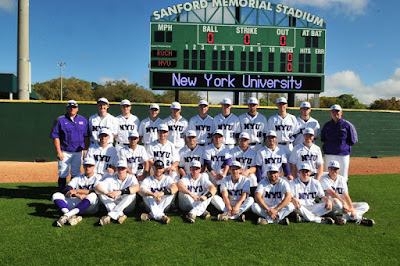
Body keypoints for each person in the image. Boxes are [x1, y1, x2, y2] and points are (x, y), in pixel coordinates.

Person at [320, 160, 375, 226]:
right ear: (328, 169)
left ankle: (344, 218)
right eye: (331, 168)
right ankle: (359, 219)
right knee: (336, 201)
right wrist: (344, 203)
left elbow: (346, 195)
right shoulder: (323, 179)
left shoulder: (342, 179)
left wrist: (351, 209)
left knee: (365, 205)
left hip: (343, 205)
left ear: (339, 170)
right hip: (331, 205)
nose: (333, 170)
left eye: (335, 169)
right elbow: (332, 194)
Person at [50, 100, 89, 191]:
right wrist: (58, 151)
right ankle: (61, 190)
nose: (72, 109)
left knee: (76, 173)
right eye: (70, 107)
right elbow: (55, 137)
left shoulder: (83, 120)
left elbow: (86, 136)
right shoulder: (60, 120)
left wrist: (85, 149)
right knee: (63, 172)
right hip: (65, 151)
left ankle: (72, 191)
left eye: (74, 107)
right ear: (67, 108)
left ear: (77, 108)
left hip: (78, 151)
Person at [51, 157, 101, 227]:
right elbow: (67, 189)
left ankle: (66, 216)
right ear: (83, 166)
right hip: (76, 203)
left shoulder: (98, 177)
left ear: (94, 166)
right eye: (86, 165)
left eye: (90, 166)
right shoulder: (78, 177)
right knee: (56, 195)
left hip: (90, 207)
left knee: (93, 195)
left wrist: (77, 191)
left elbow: (96, 191)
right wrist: (77, 195)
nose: (88, 167)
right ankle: (70, 215)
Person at [94, 160, 139, 226]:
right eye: (119, 168)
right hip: (113, 204)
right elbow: (96, 187)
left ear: (126, 169)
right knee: (101, 194)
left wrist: (120, 192)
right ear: (116, 169)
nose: (121, 171)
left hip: (127, 206)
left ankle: (110, 216)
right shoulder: (111, 177)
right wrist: (106, 193)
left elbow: (136, 187)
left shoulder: (131, 177)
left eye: (123, 168)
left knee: (132, 194)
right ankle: (120, 215)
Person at [321, 104, 358, 181]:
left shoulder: (347, 125)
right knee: (329, 176)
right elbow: (323, 138)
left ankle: (344, 193)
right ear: (330, 113)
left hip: (343, 155)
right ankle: (329, 193)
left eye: (337, 111)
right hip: (329, 154)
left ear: (341, 112)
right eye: (333, 111)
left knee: (343, 176)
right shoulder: (327, 125)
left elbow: (353, 140)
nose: (335, 113)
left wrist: (343, 147)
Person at [139, 160, 178, 224]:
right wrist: (152, 194)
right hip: (151, 204)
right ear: (153, 168)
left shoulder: (167, 178)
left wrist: (162, 193)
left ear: (163, 169)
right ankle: (160, 216)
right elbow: (141, 189)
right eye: (156, 168)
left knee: (171, 193)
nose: (158, 170)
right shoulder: (148, 179)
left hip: (164, 204)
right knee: (146, 194)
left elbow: (175, 188)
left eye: (160, 168)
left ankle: (151, 215)